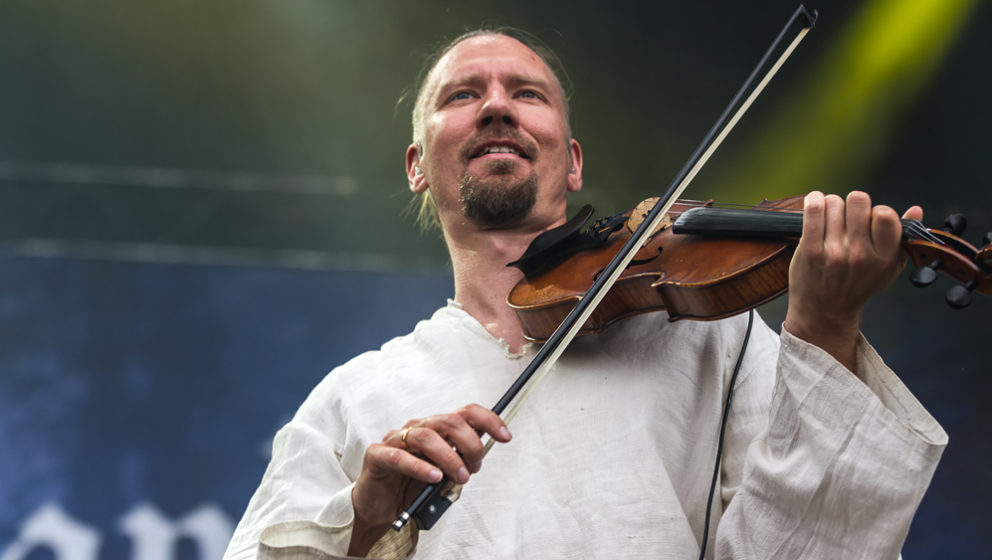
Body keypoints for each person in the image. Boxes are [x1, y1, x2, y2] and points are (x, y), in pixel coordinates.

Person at [224, 29, 947, 559]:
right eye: (463, 95)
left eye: (527, 94)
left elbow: (805, 547)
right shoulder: (355, 397)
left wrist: (823, 327)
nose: (498, 107)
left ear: (572, 162)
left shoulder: (712, 339)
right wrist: (360, 521)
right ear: (417, 165)